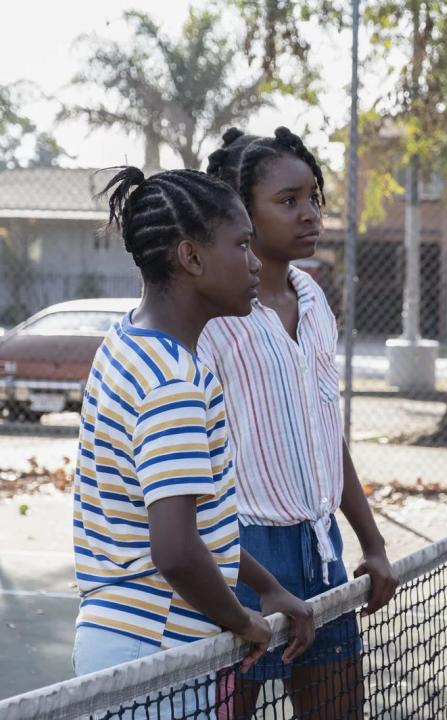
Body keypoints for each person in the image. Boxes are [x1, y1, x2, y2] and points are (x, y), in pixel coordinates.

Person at [73, 167, 315, 714]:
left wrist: (268, 585)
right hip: (155, 652)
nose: (255, 263)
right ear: (192, 258)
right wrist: (244, 620)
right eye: (242, 244)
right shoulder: (174, 383)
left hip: (124, 644)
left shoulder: (126, 343)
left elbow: (200, 524)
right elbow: (176, 550)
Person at [201, 127, 398, 719]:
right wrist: (249, 575)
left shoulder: (312, 297)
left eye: (313, 196)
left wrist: (374, 541)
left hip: (321, 551)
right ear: (241, 211)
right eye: (288, 201)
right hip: (241, 558)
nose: (310, 212)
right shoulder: (212, 313)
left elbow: (323, 429)